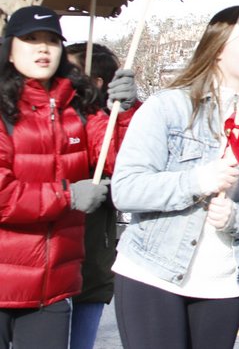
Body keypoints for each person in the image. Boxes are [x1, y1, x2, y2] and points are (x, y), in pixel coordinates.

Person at [110, 6, 239, 349]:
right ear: (217, 47)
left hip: (222, 286)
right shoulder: (168, 107)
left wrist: (238, 218)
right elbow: (126, 189)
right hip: (153, 274)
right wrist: (199, 180)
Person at [0, 6, 130, 348]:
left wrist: (124, 111)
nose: (43, 48)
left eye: (52, 40)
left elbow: (120, 160)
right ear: (10, 47)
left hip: (53, 289)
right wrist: (68, 197)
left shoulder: (80, 106)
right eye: (31, 39)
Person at [65, 42, 141, 349]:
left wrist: (125, 112)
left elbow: (124, 163)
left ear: (95, 81)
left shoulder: (108, 119)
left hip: (90, 248)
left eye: (68, 70)